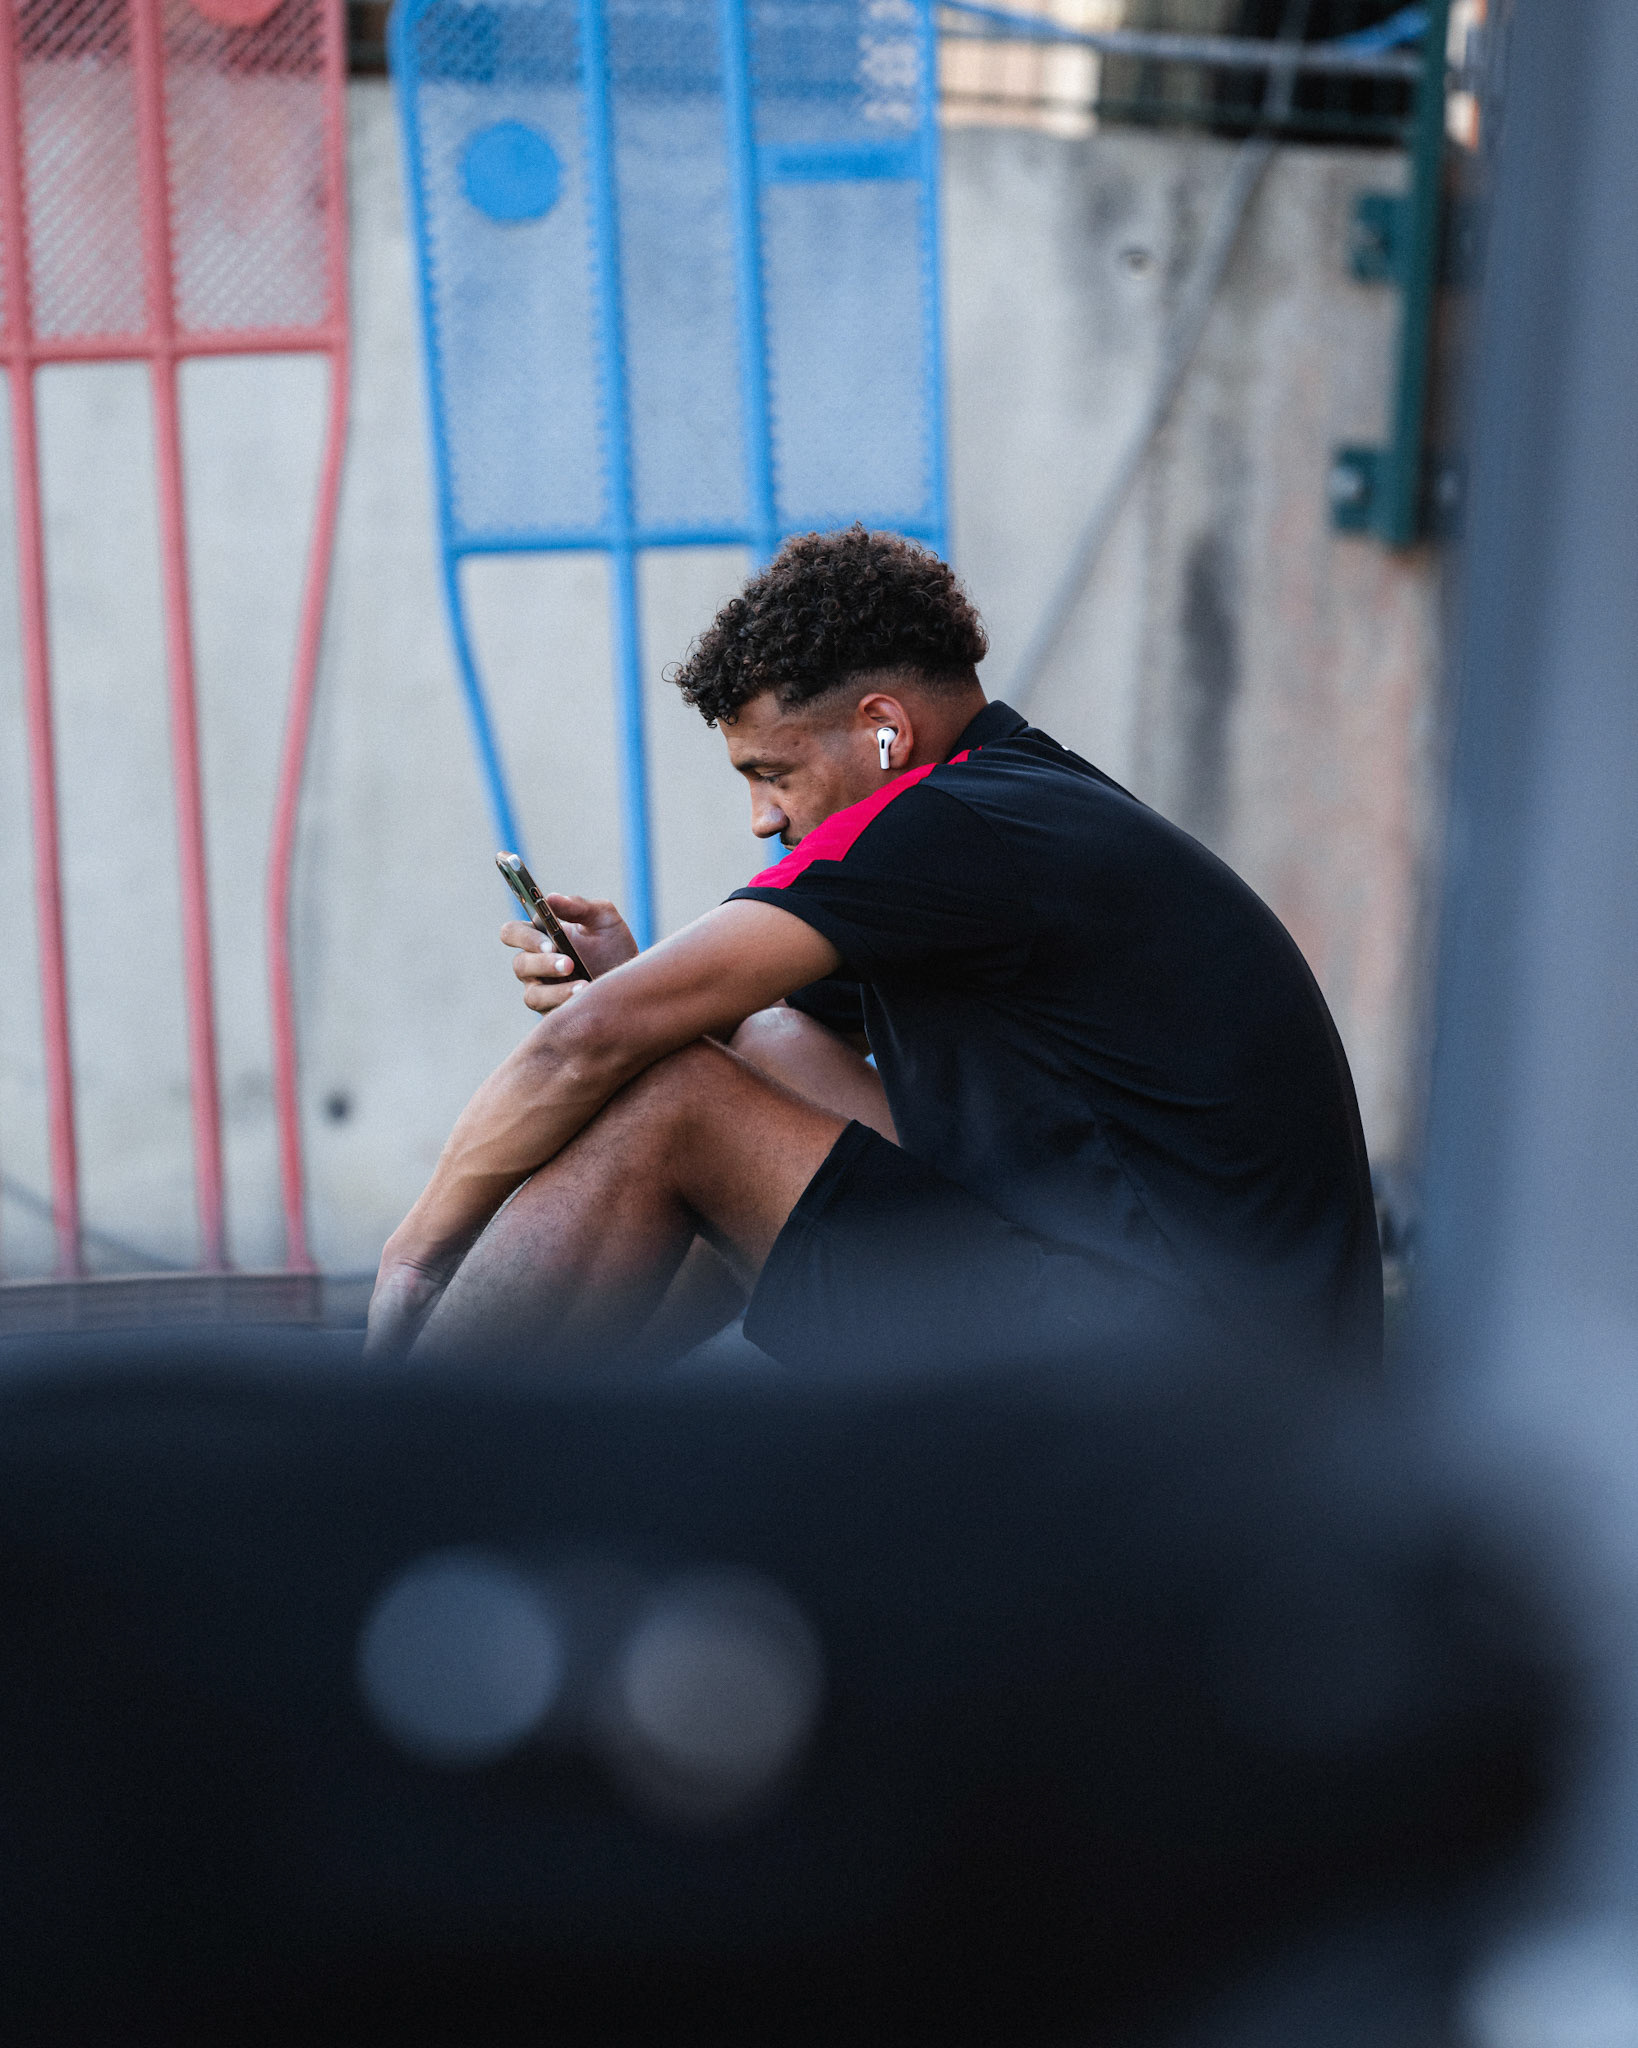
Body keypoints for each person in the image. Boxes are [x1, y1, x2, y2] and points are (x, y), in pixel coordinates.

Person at [366, 526, 1381, 1375]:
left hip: (1174, 1386)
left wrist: (416, 1253)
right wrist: (634, 986)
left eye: (773, 773)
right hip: (1198, 1354)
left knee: (675, 1096)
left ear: (884, 731)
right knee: (756, 1048)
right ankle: (541, 1423)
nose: (764, 818)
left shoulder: (951, 823)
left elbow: (587, 1043)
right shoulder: (1017, 811)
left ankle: (404, 1455)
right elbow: (720, 1042)